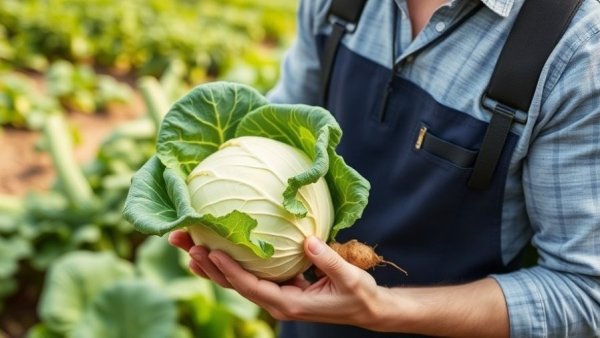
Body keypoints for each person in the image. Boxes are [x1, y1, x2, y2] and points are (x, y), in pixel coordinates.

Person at [169, 0, 600, 337]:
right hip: (305, 325)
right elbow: (277, 129)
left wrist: (382, 310)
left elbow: (584, 294)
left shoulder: (577, 48)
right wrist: (243, 239)